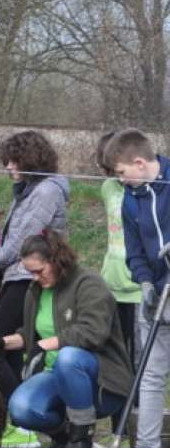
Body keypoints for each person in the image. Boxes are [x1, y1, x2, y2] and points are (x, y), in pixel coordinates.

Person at [0, 230, 132, 448]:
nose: (35, 277)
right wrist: (0, 343)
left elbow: (93, 332)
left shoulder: (89, 284)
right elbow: (31, 335)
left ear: (58, 260)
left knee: (68, 357)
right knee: (20, 408)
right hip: (55, 376)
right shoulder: (36, 291)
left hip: (101, 382)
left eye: (39, 271)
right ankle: (64, 436)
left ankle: (81, 440)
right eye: (31, 272)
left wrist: (46, 345)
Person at [0, 130, 69, 448]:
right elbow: (11, 238)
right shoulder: (29, 191)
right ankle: (23, 424)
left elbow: (22, 240)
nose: (8, 167)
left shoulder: (46, 192)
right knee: (11, 353)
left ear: (32, 158)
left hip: (28, 278)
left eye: (13, 160)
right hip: (15, 277)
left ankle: (25, 422)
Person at [104, 127, 170, 448]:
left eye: (121, 172)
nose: (119, 180)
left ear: (140, 162)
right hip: (158, 296)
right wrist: (144, 283)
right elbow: (135, 252)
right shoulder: (130, 198)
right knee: (151, 373)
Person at [95, 132, 142, 370]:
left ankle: (138, 403)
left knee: (139, 350)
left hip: (138, 286)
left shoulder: (148, 190)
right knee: (116, 349)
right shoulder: (108, 188)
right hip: (112, 281)